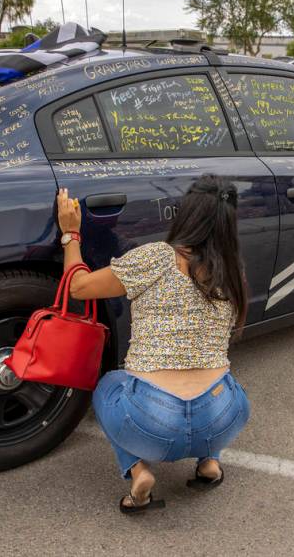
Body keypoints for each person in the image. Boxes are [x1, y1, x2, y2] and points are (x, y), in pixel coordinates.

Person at [55, 175, 251, 513]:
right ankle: (209, 463)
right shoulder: (233, 272)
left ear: (185, 214)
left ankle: (138, 470)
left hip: (154, 424)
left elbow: (79, 287)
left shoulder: (158, 258)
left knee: (109, 384)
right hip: (224, 417)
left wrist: (71, 234)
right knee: (222, 380)